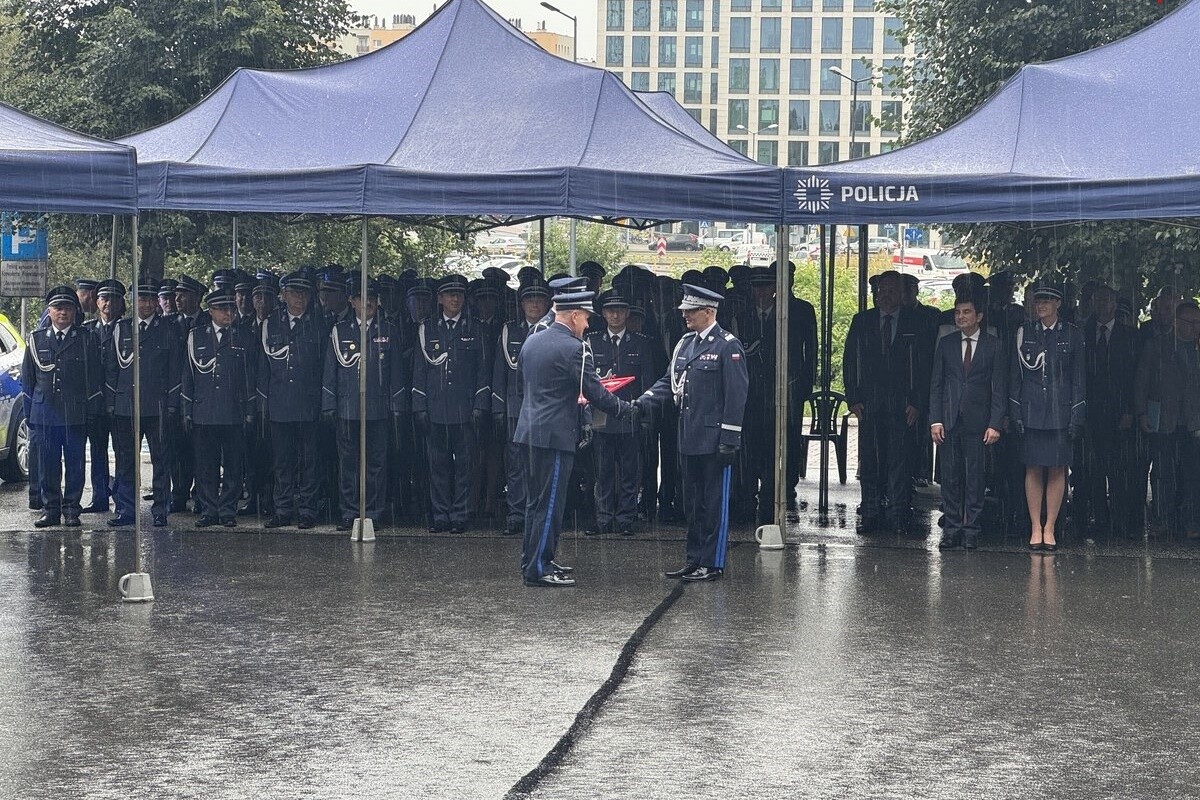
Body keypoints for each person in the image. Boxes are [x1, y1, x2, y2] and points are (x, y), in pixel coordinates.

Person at [515, 286, 633, 587]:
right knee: (550, 503)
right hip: (554, 435)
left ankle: (534, 558)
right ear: (574, 315)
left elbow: (538, 386)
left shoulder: (533, 341)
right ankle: (538, 569)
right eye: (586, 318)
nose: (588, 324)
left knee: (535, 503)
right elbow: (594, 393)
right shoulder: (575, 348)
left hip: (529, 432)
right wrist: (627, 409)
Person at [635, 284, 748, 582]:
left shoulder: (727, 345)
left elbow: (736, 396)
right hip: (689, 437)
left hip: (714, 441)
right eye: (685, 310)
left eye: (691, 311)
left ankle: (712, 562)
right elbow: (668, 380)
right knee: (692, 505)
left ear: (708, 312)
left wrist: (730, 439)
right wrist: (644, 400)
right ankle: (694, 558)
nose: (685, 315)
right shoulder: (686, 343)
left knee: (713, 505)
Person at [843, 270, 931, 536]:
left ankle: (898, 513)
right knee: (869, 460)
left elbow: (924, 364)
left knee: (899, 461)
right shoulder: (863, 320)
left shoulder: (915, 321)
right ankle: (870, 510)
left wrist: (917, 402)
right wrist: (853, 398)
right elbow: (850, 361)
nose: (886, 295)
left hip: (902, 404)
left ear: (902, 293)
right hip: (869, 403)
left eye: (892, 290)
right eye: (882, 290)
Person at [323, 275, 408, 531]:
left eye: (371, 298)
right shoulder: (340, 330)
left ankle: (373, 511)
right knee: (348, 464)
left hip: (378, 409)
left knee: (376, 465)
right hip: (348, 408)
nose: (367, 302)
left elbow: (396, 375)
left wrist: (397, 407)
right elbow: (331, 371)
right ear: (352, 301)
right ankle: (349, 511)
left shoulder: (388, 329)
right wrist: (328, 404)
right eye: (362, 298)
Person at [1009, 283, 1086, 552]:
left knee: (1056, 468)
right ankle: (1035, 527)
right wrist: (1015, 410)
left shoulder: (1072, 334)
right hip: (1032, 410)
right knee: (1032, 468)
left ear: (1058, 304)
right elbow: (1015, 376)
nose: (1040, 305)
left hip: (1060, 412)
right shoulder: (1024, 332)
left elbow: (1078, 378)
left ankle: (1050, 526)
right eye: (1038, 301)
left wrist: (1077, 413)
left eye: (1046, 301)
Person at [21, 286, 103, 528]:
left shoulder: (86, 339)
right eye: (58, 308)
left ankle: (71, 509)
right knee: (48, 465)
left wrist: (92, 412)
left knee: (75, 464)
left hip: (75, 413)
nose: (63, 313)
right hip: (45, 413)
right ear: (49, 311)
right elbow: (29, 381)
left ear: (75, 312)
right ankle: (51, 509)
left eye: (67, 308)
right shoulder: (36, 339)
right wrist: (30, 416)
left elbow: (94, 380)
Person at [411, 274, 488, 533]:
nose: (455, 299)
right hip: (436, 407)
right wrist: (419, 406)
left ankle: (460, 515)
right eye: (450, 294)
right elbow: (420, 371)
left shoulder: (474, 328)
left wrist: (480, 404)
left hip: (465, 409)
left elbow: (482, 371)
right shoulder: (427, 328)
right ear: (440, 299)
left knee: (465, 465)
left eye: (459, 295)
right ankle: (440, 514)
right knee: (438, 465)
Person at [929, 293, 1005, 550]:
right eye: (958, 312)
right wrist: (935, 419)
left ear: (979, 316)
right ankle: (951, 528)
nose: (961, 317)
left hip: (979, 422)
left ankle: (971, 528)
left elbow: (998, 388)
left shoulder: (993, 345)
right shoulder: (947, 343)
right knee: (950, 477)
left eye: (967, 312)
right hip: (950, 421)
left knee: (975, 477)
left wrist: (995, 423)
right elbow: (937, 384)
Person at [105, 282, 180, 528]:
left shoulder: (168, 329)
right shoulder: (121, 328)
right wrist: (111, 403)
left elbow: (173, 371)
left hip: (156, 406)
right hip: (126, 406)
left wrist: (170, 405)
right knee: (126, 461)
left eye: (150, 300)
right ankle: (126, 509)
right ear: (133, 301)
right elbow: (112, 369)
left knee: (161, 460)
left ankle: (160, 509)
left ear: (157, 302)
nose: (146, 305)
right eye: (141, 299)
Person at [181, 289, 257, 527]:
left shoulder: (244, 336)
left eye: (231, 309)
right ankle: (209, 509)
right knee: (205, 465)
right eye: (223, 309)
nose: (228, 313)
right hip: (204, 410)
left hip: (233, 409)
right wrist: (186, 409)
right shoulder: (196, 336)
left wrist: (250, 409)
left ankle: (227, 510)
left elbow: (250, 377)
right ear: (211, 311)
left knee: (233, 464)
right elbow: (188, 376)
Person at [585, 290, 656, 535]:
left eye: (620, 310)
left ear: (627, 314)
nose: (615, 315)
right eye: (610, 310)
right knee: (602, 471)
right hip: (602, 415)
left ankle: (626, 518)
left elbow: (648, 381)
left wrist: (644, 415)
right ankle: (604, 518)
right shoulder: (592, 341)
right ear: (603, 314)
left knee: (629, 471)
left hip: (630, 413)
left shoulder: (641, 342)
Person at [258, 272, 326, 529]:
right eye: (294, 292)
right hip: (279, 403)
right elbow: (262, 368)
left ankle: (308, 510)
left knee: (310, 461)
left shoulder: (319, 324)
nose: (299, 298)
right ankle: (283, 509)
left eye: (304, 293)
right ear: (284, 294)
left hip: (308, 402)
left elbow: (323, 367)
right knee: (282, 461)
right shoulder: (270, 324)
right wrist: (263, 403)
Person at [1134, 300, 1200, 538]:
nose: (1195, 328)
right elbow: (1141, 382)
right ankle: (1162, 519)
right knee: (1162, 473)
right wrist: (1141, 413)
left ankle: (1192, 521)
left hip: (1193, 421)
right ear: (1176, 322)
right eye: (1190, 323)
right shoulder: (1156, 346)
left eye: (1198, 323)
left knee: (1194, 473)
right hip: (1163, 419)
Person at [491, 280, 551, 535]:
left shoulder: (551, 330)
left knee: (540, 463)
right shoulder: (510, 332)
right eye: (529, 300)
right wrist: (497, 408)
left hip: (543, 408)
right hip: (516, 407)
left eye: (539, 299)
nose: (534, 304)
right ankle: (517, 513)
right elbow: (499, 373)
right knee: (515, 464)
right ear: (522, 304)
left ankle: (538, 512)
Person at [1080, 284, 1139, 537]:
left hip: (1118, 413)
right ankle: (1098, 519)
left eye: (1107, 300)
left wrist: (1129, 410)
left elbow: (1133, 378)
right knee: (1091, 469)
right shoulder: (1082, 333)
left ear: (1115, 303)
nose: (1102, 304)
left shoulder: (1129, 335)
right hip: (1090, 411)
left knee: (1117, 469)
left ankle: (1119, 520)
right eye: (1097, 300)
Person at [81, 279, 125, 514]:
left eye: (114, 299)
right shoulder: (88, 330)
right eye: (104, 298)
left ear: (121, 303)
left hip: (119, 402)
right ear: (96, 302)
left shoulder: (127, 329)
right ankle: (99, 497)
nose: (109, 303)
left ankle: (122, 498)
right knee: (98, 451)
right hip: (95, 402)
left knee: (123, 453)